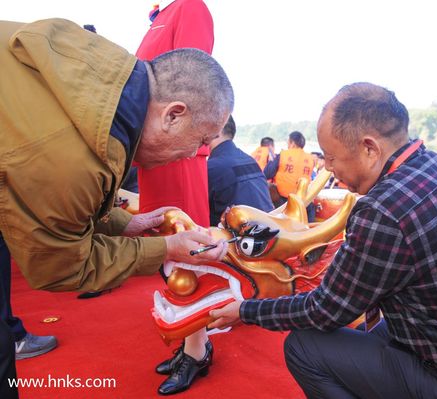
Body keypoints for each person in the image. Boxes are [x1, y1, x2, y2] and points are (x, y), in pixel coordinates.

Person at [210, 82, 437, 399]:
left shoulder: (383, 209)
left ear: (370, 148)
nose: (327, 167)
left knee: (304, 347)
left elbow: (326, 310)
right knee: (373, 332)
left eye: (331, 157)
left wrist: (246, 310)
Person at [0, 18, 233, 399]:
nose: (195, 153)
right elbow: (60, 265)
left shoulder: (101, 72)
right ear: (173, 114)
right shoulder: (67, 161)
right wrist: (166, 249)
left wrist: (127, 222)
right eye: (201, 140)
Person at [135, 0, 220, 394]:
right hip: (154, 152)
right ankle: (191, 340)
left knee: (189, 252)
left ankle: (197, 346)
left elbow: (194, 80)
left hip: (177, 149)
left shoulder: (188, 7)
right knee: (167, 250)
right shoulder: (161, 14)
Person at [208, 115, 274, 226]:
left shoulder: (212, 167)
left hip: (235, 239)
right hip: (268, 231)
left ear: (217, 129)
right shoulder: (250, 161)